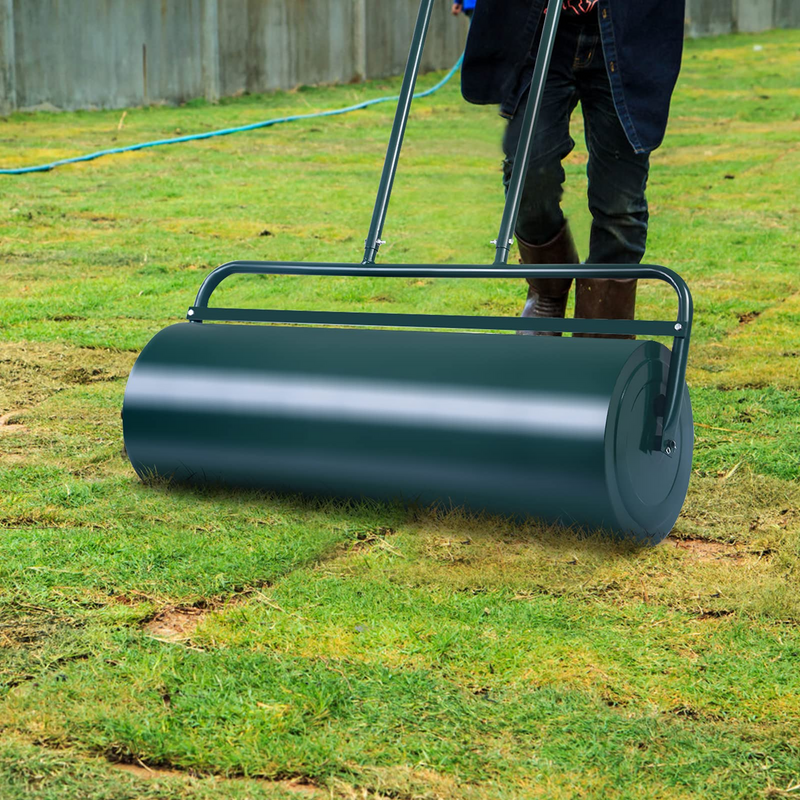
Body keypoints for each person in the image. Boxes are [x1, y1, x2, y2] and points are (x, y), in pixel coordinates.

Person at [461, 0, 685, 337]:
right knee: (528, 168)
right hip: (542, 30)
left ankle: (603, 334)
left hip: (629, 32)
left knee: (619, 202)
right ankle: (548, 290)